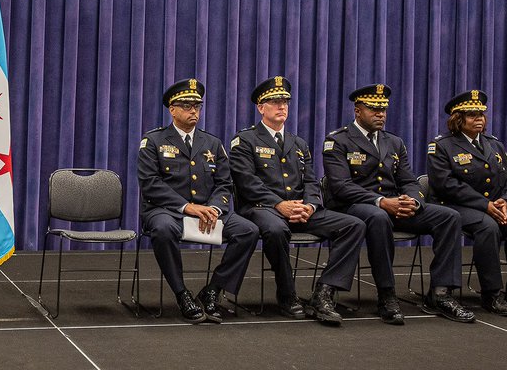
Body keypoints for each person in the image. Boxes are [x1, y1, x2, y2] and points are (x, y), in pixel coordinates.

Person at [322, 84, 474, 325]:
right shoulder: (337, 140)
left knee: (449, 217)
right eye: (374, 109)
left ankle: (441, 293)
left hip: (395, 205)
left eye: (383, 109)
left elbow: (408, 180)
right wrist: (381, 201)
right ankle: (387, 294)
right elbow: (341, 186)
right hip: (353, 206)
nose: (380, 114)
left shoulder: (394, 142)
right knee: (378, 217)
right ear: (358, 110)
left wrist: (412, 200)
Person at [228, 76, 363, 326]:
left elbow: (312, 182)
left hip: (300, 210)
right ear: (261, 107)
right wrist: (280, 204)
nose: (282, 107)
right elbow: (246, 182)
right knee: (276, 229)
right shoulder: (244, 140)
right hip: (262, 209)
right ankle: (287, 294)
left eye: (285, 102)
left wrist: (310, 206)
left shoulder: (298, 143)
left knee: (353, 225)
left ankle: (324, 292)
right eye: (275, 102)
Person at [138, 79, 259, 323]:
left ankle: (213, 289)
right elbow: (150, 183)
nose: (194, 111)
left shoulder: (212, 143)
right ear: (172, 109)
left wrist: (214, 208)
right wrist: (187, 207)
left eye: (197, 106)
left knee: (248, 230)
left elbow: (225, 184)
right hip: (166, 211)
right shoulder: (154, 141)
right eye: (186, 105)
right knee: (162, 230)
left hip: (208, 209)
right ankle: (182, 293)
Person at [427, 90, 507, 317]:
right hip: (456, 206)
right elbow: (446, 185)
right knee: (488, 227)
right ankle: (491, 293)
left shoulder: (494, 144)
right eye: (472, 115)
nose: (479, 119)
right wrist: (485, 205)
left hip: (496, 206)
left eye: (481, 115)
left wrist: (506, 201)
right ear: (458, 119)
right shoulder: (442, 146)